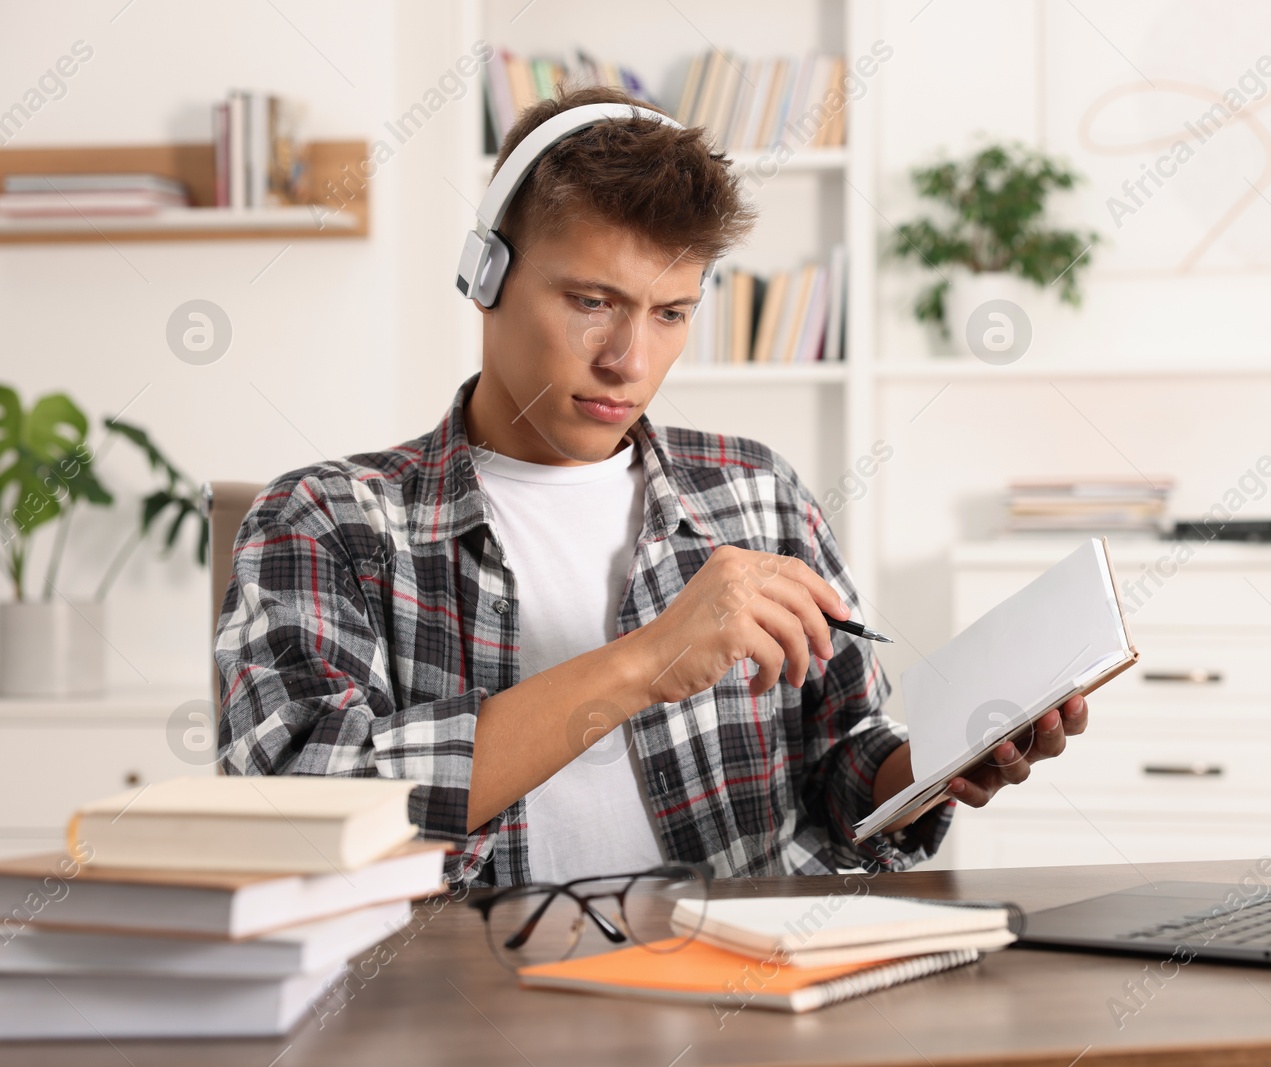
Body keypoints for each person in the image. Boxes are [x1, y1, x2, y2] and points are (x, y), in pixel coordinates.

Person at [215, 85, 1088, 887]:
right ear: (485, 277)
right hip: (455, 1019)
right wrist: (646, 661)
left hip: (733, 1005)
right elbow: (295, 817)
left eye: (670, 313)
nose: (629, 361)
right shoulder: (327, 521)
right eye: (592, 301)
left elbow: (841, 766)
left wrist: (932, 769)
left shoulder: (756, 492)